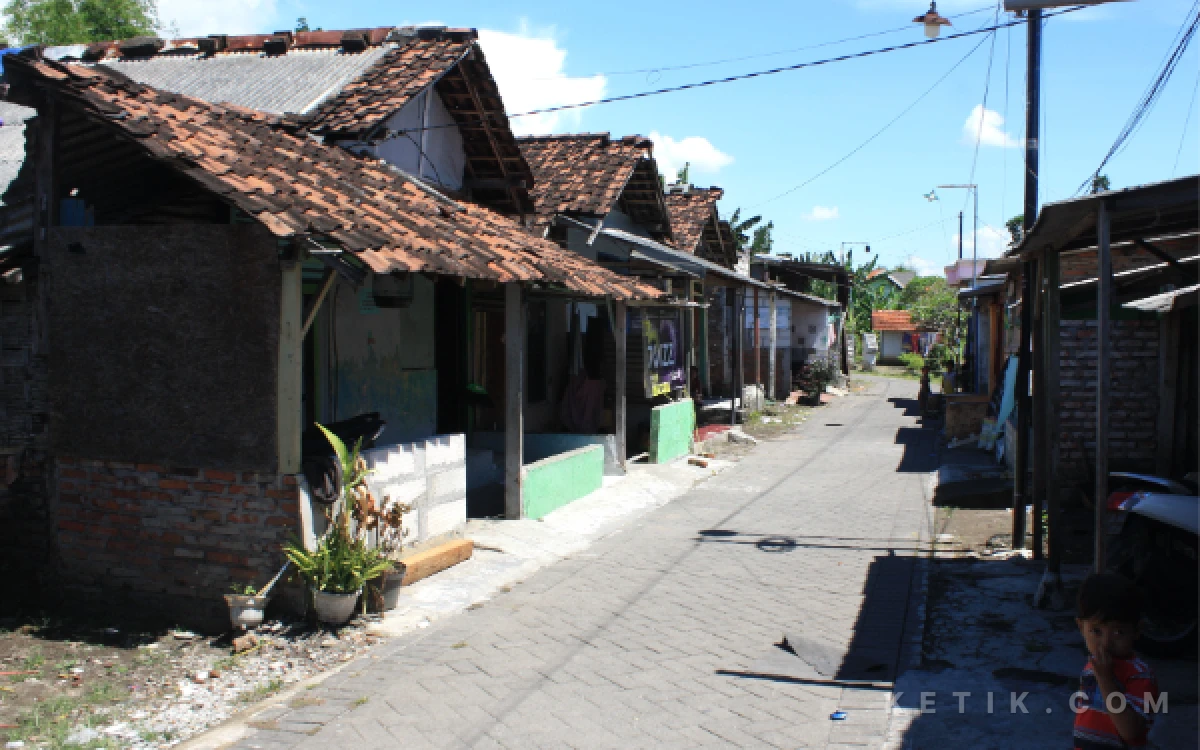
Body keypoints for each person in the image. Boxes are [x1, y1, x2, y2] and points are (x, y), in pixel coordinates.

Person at [1073, 573, 1160, 749]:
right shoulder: (1093, 665)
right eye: (1096, 631)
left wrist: (1106, 680)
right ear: (1081, 627)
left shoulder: (1140, 675)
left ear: (1137, 631)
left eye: (1118, 632)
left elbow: (1130, 731)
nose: (1106, 643)